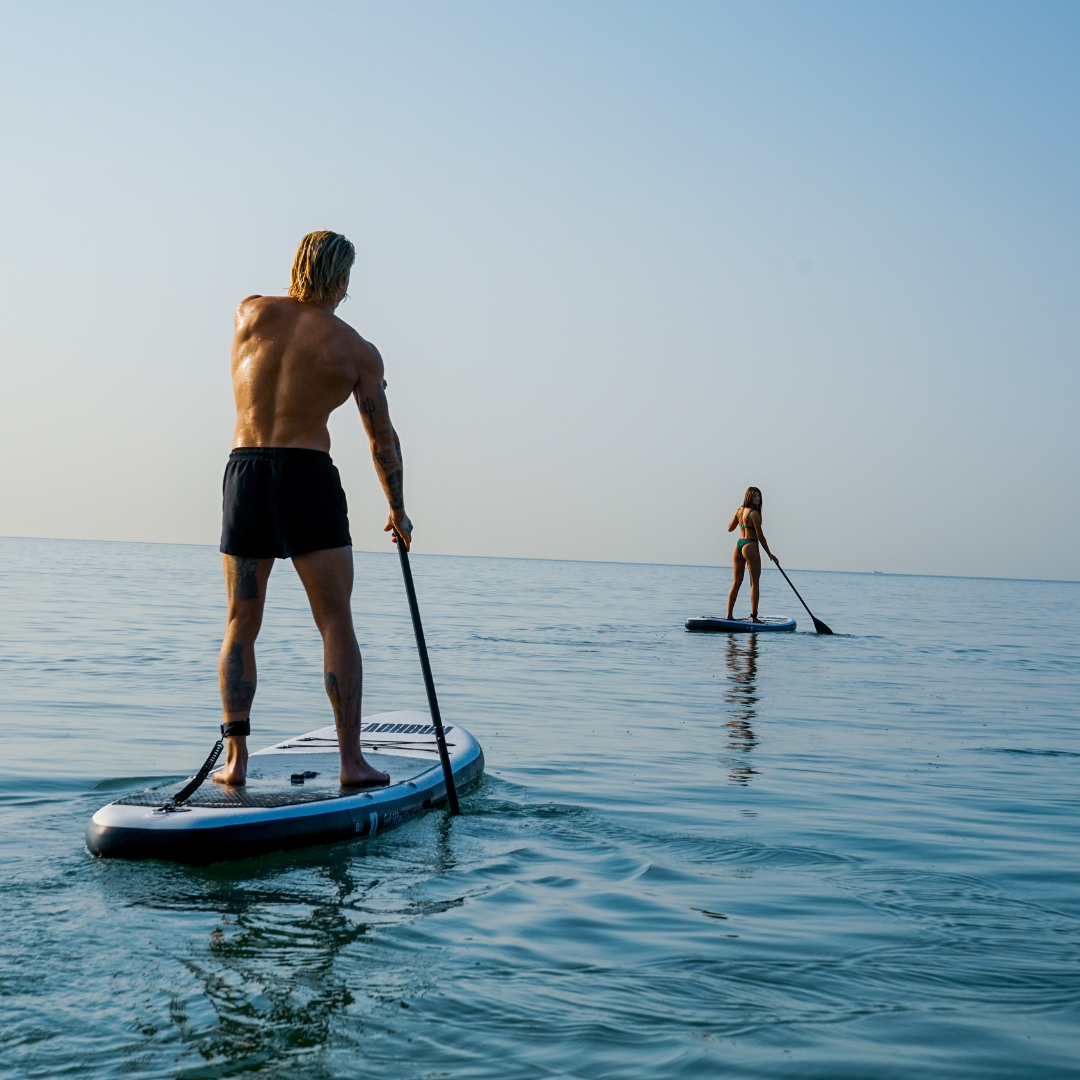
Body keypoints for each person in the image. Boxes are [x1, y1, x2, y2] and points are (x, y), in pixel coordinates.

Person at [213, 230, 412, 788]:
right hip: (305, 478)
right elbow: (383, 441)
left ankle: (236, 763)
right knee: (335, 622)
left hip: (246, 471)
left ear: (297, 263)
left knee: (240, 623)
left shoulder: (247, 313)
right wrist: (398, 508)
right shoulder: (355, 349)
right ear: (344, 279)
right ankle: (351, 763)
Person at [726, 486, 778, 622]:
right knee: (754, 583)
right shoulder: (754, 514)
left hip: (738, 545)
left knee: (737, 582)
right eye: (755, 496)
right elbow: (760, 537)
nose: (758, 498)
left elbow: (730, 528)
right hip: (750, 545)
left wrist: (739, 520)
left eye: (759, 496)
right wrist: (770, 554)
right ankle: (754, 618)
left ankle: (729, 616)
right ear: (749, 497)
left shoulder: (739, 510)